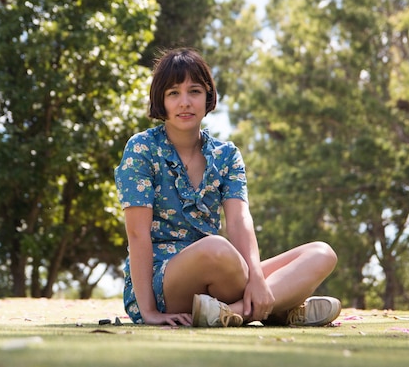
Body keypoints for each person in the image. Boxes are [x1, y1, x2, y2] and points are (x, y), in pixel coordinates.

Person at [114, 48, 341, 327]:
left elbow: (239, 219)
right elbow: (137, 234)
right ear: (160, 99)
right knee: (216, 249)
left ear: (208, 96)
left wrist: (257, 277)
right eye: (173, 93)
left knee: (322, 253)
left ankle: (232, 311)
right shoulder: (142, 148)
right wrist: (148, 312)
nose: (184, 102)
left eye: (194, 91)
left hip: (223, 275)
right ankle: (280, 307)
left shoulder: (226, 154)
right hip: (163, 281)